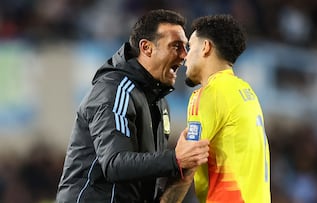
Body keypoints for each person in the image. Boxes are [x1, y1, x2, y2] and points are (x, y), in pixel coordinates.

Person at [56, 9, 209, 203]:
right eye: (176, 46)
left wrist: (184, 171)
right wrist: (175, 159)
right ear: (146, 48)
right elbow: (115, 164)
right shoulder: (115, 90)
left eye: (186, 47)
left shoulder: (159, 103)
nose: (184, 55)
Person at [164, 14, 271, 202]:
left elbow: (188, 161)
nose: (185, 56)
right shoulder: (246, 92)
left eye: (190, 47)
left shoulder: (209, 94)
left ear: (205, 47)